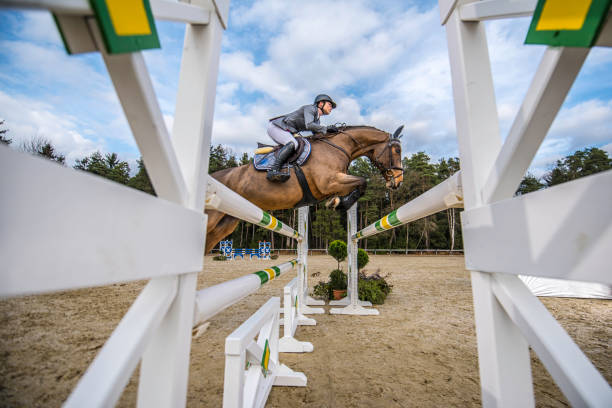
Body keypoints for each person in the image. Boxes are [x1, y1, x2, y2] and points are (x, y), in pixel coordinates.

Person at [266, 94, 338, 182]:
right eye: (330, 105)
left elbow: (316, 134)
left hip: (286, 130)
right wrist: (326, 128)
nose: (331, 108)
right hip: (277, 126)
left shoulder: (317, 119)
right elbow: (309, 125)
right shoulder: (310, 109)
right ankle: (273, 170)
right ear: (320, 104)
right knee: (293, 144)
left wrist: (331, 134)